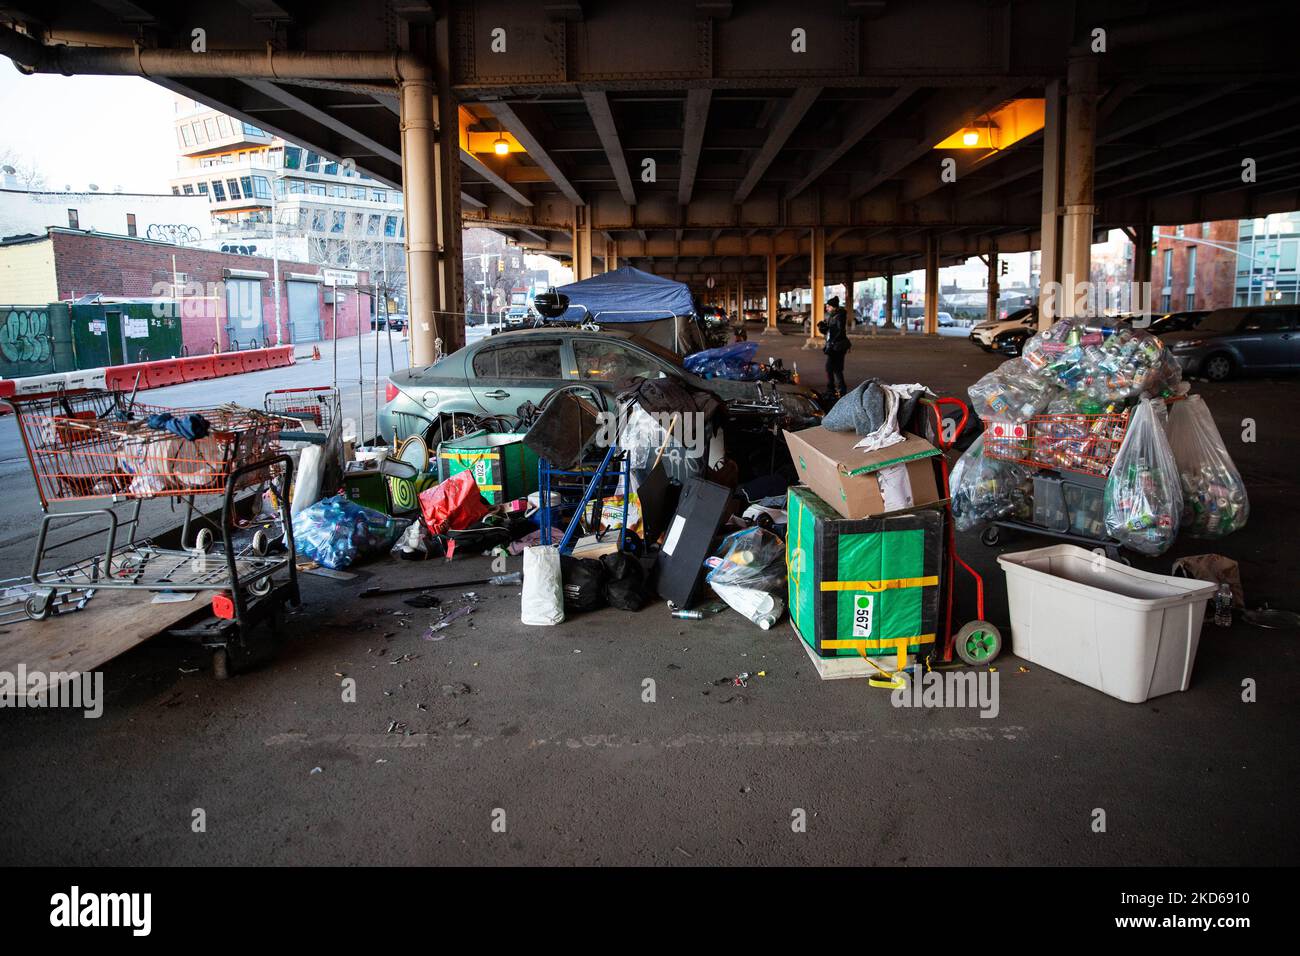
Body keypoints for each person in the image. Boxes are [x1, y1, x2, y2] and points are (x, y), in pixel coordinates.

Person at [817, 296, 850, 398]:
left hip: (838, 346)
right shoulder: (832, 315)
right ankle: (835, 389)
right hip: (833, 345)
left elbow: (840, 331)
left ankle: (838, 390)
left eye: (828, 306)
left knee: (834, 368)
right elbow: (830, 331)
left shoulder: (839, 316)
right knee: (832, 368)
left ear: (834, 307)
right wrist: (823, 328)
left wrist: (832, 342)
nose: (827, 308)